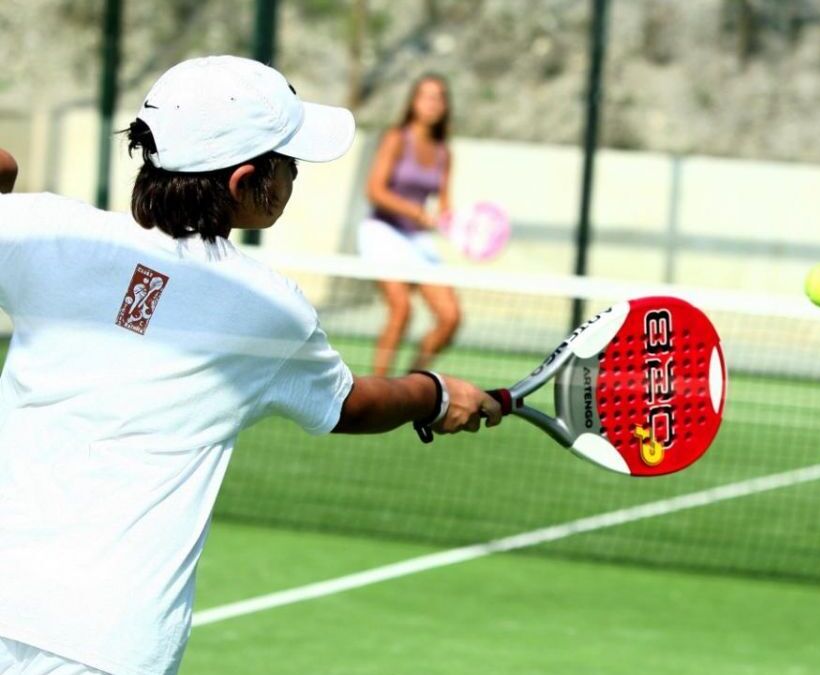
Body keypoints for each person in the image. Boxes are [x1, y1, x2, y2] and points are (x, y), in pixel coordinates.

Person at [0, 56, 501, 675]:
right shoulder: (268, 308)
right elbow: (351, 406)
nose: (294, 176)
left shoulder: (43, 228)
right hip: (108, 642)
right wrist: (434, 392)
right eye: (288, 164)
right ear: (242, 184)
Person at [360, 74, 460, 375]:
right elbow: (374, 190)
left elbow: (445, 206)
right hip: (382, 232)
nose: (432, 103)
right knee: (401, 309)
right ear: (413, 102)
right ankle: (379, 388)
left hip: (418, 239)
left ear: (445, 106)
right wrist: (414, 211)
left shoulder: (444, 152)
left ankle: (412, 384)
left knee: (450, 317)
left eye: (439, 97)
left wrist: (461, 228)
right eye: (426, 96)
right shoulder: (396, 138)